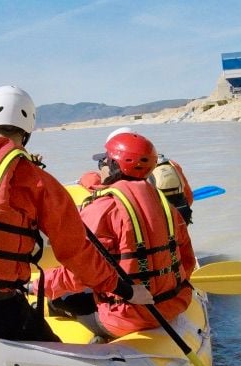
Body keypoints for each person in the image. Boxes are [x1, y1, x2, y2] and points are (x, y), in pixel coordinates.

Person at [0, 85, 153, 341]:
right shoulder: (36, 180)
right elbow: (77, 253)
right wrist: (125, 290)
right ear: (27, 132)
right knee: (62, 364)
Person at [46, 132, 197, 340]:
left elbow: (78, 274)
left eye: (105, 161)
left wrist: (35, 285)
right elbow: (187, 262)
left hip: (127, 319)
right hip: (174, 305)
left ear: (116, 165)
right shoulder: (165, 205)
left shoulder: (103, 207)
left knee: (58, 300)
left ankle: (100, 341)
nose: (102, 167)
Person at [77, 128, 195, 223]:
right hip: (175, 220)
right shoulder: (170, 164)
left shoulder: (120, 173)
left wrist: (86, 178)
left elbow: (101, 189)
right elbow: (188, 197)